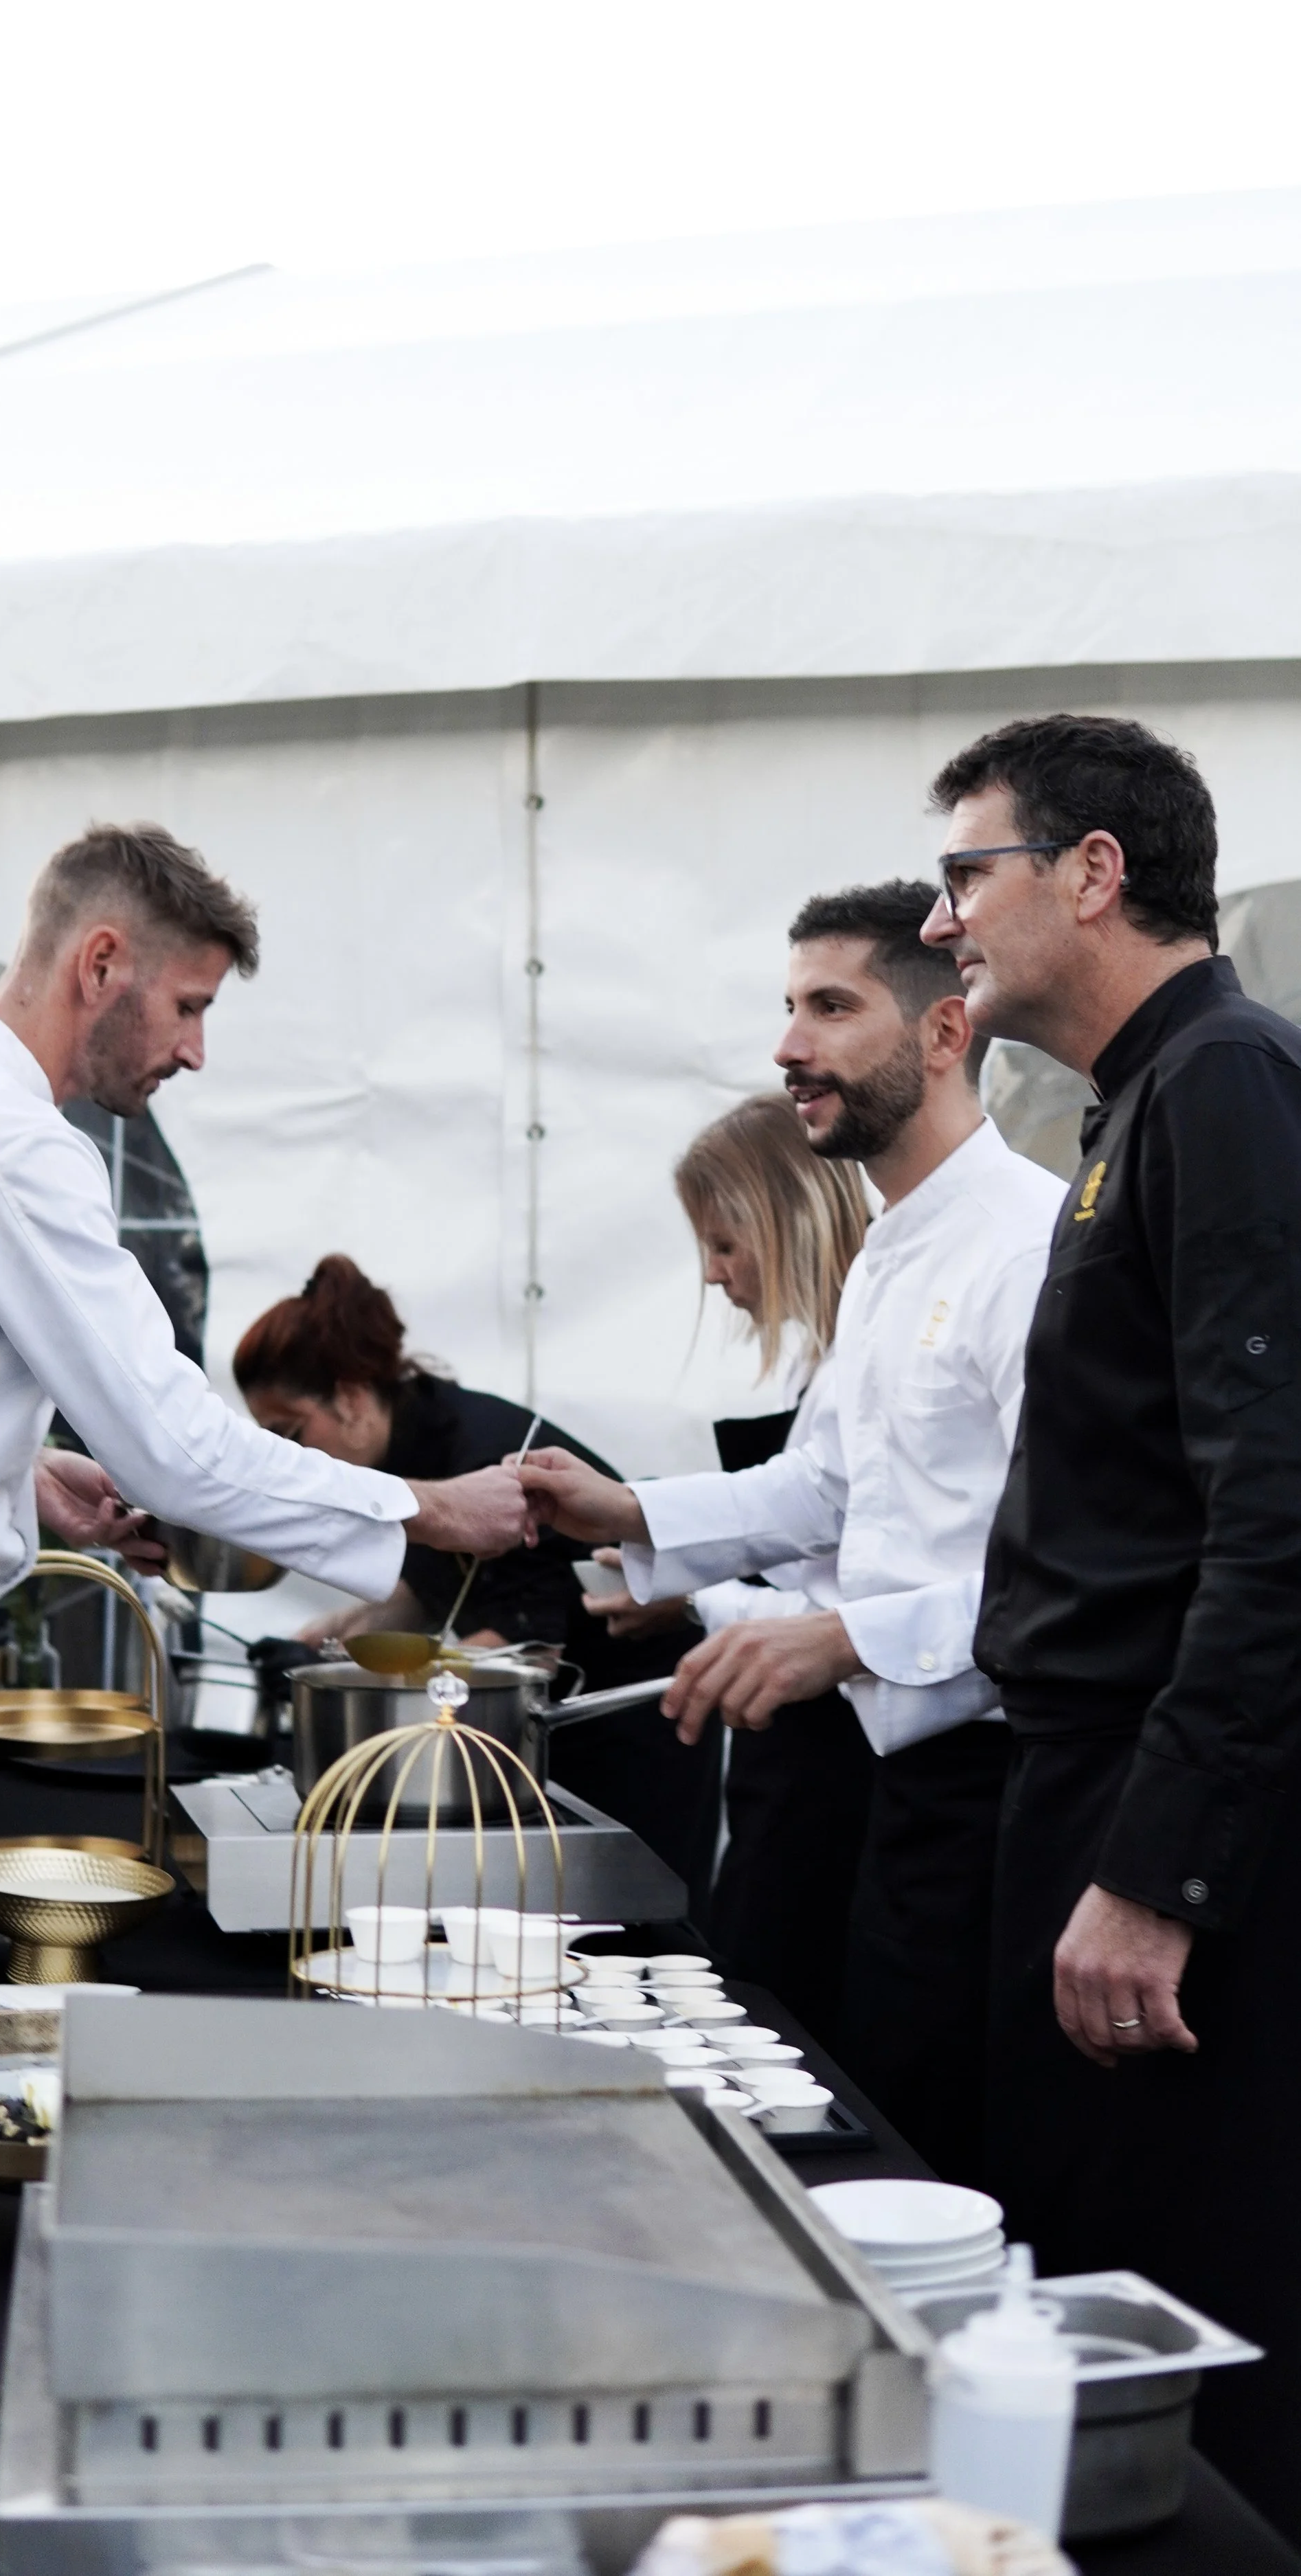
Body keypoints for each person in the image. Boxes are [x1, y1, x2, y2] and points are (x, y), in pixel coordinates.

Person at [0, 823, 525, 2575]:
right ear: (100, 965)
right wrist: (414, 1503)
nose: (196, 1052)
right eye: (192, 1007)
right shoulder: (12, 1129)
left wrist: (33, 1482)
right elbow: (174, 1431)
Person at [519, 883, 1065, 2182]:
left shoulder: (1031, 1248)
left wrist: (838, 1638)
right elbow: (822, 1489)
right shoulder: (885, 1252)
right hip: (901, 1789)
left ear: (944, 1035)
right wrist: (627, 1510)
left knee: (932, 2146)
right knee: (858, 2107)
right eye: (787, 1010)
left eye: (831, 1008)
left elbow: (1058, 1572)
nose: (788, 1049)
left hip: (1002, 1790)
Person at [922, 713, 1301, 2541]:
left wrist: (1159, 1866)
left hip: (1154, 1828)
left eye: (961, 873)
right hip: (1074, 1779)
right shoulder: (1131, 1106)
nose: (940, 924)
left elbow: (1277, 1508)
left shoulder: (1225, 1081)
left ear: (1089, 869)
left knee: (1179, 2350)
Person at [233, 1255, 721, 1893]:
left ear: (351, 1398)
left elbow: (525, 1651)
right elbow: (424, 1593)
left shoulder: (483, 1455)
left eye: (290, 1433)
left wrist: (349, 1683)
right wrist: (320, 1645)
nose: (288, 1458)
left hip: (626, 1725)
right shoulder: (407, 1443)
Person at [582, 1096, 874, 2053]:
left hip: (842, 1769)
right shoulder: (821, 1367)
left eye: (724, 1245)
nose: (714, 1276)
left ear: (787, 1215)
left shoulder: (868, 1362)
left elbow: (845, 1602)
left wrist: (689, 1588)